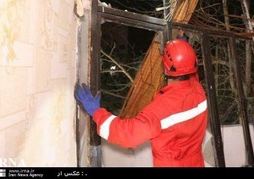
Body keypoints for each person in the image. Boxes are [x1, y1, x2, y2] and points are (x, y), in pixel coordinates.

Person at [75, 39, 208, 167]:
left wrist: (97, 112)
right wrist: (184, 55)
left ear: (165, 68)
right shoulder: (198, 90)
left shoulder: (162, 109)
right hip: (195, 162)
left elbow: (128, 134)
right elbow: (190, 74)